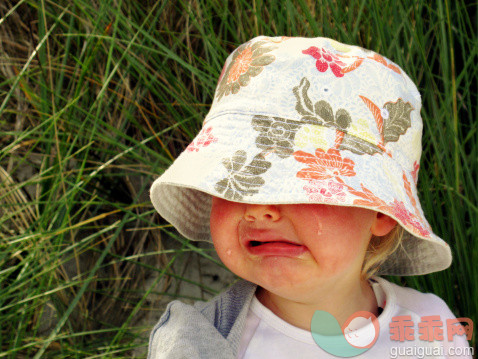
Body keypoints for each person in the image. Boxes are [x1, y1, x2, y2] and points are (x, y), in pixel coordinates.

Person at [148, 36, 472, 358]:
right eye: (235, 179)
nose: (259, 209)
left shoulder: (431, 327)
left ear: (381, 211)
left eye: (298, 184)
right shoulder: (195, 342)